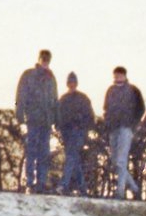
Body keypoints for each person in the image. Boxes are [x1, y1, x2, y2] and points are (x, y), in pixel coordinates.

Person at [15, 49, 57, 194]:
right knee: (32, 151)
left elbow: (54, 100)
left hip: (46, 121)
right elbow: (21, 96)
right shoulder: (28, 75)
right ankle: (29, 183)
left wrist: (54, 119)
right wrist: (20, 117)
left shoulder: (51, 78)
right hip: (32, 119)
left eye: (47, 59)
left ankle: (41, 182)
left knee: (44, 153)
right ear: (39, 59)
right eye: (43, 58)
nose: (45, 61)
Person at [103, 65, 146, 200]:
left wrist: (133, 124)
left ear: (125, 76)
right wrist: (107, 122)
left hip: (126, 128)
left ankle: (120, 192)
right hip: (113, 128)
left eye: (120, 75)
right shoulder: (110, 90)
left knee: (121, 161)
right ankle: (134, 188)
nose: (117, 77)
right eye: (115, 75)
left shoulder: (133, 90)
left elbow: (141, 108)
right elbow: (106, 108)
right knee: (115, 161)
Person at [56, 72, 94, 196]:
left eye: (73, 82)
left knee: (71, 156)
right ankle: (83, 188)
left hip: (78, 132)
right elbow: (58, 116)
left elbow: (90, 117)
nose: (72, 85)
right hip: (66, 133)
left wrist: (82, 128)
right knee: (74, 159)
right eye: (70, 82)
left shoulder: (83, 98)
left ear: (76, 84)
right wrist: (60, 128)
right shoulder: (63, 99)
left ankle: (64, 184)